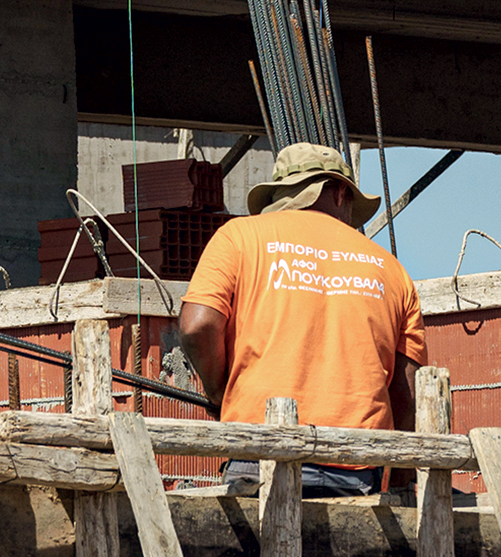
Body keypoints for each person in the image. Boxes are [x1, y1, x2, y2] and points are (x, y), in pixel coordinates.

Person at [179, 139, 425, 496]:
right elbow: (407, 393)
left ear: (280, 193)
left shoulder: (238, 238)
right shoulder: (392, 269)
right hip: (355, 468)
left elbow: (197, 325)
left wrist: (220, 390)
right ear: (340, 192)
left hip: (257, 456)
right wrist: (400, 485)